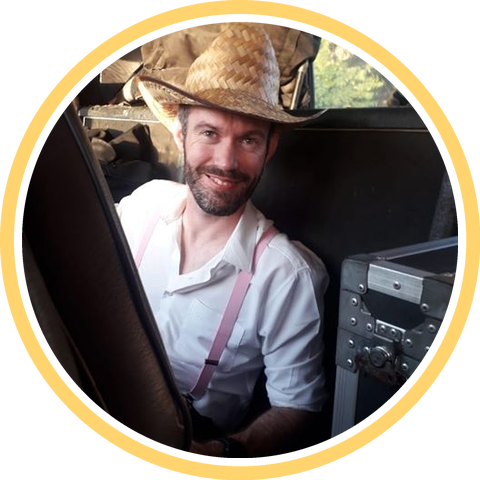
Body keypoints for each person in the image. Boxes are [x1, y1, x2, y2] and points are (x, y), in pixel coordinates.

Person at [116, 23, 328, 457]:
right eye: (209, 133)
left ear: (269, 149)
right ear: (181, 135)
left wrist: (220, 451)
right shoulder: (141, 206)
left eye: (248, 139)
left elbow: (297, 406)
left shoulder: (287, 275)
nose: (226, 162)